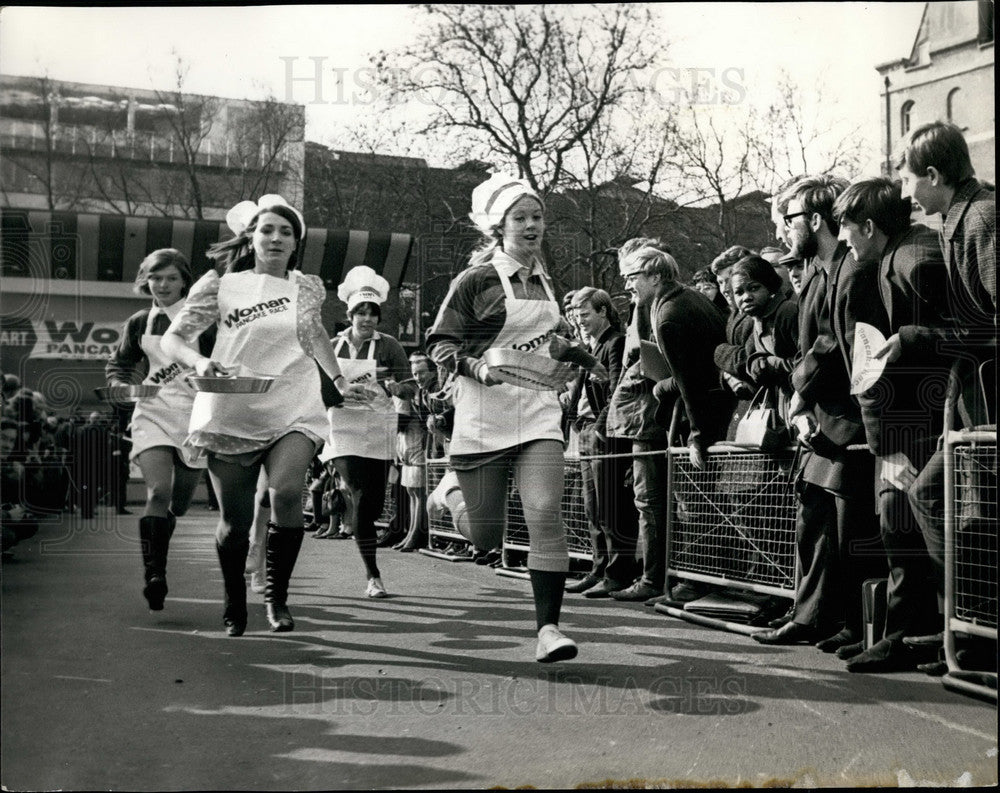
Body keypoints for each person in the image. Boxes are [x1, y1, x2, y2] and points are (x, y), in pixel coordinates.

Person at [161, 194, 364, 636]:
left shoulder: (306, 286)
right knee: (234, 523)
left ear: (296, 243)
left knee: (288, 491)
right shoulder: (220, 285)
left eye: (285, 232)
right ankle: (236, 602)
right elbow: (174, 340)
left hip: (294, 404)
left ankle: (277, 598)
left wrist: (339, 379)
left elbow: (315, 337)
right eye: (266, 229)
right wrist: (198, 363)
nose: (275, 237)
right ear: (250, 238)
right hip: (231, 409)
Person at [426, 172, 604, 662]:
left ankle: (548, 629)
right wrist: (474, 367)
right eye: (520, 218)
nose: (531, 225)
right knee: (486, 536)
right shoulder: (477, 280)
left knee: (546, 513)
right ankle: (450, 493)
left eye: (537, 216)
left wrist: (581, 357)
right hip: (484, 416)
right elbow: (439, 342)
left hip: (539, 411)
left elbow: (548, 337)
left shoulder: (545, 278)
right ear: (499, 228)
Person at [752, 175, 884, 649]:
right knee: (814, 521)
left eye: (788, 221)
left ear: (813, 219)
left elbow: (835, 345)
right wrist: (802, 398)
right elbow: (816, 346)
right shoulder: (816, 271)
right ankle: (811, 616)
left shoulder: (850, 266)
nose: (783, 232)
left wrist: (799, 394)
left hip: (847, 420)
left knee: (849, 532)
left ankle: (847, 622)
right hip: (823, 419)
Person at [832, 176, 952, 671]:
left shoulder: (907, 262)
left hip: (915, 425)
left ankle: (913, 636)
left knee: (903, 527)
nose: (844, 239)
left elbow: (877, 366)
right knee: (904, 529)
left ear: (869, 225)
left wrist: (887, 446)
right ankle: (918, 634)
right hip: (915, 422)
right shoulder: (903, 253)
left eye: (848, 227)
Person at [894, 123, 996, 644]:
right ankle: (966, 627)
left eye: (911, 179)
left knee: (932, 494)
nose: (908, 193)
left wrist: (918, 337)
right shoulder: (964, 219)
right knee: (930, 495)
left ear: (934, 175)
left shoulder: (982, 218)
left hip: (989, 406)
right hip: (976, 404)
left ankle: (970, 629)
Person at [106, 248, 217, 611]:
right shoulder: (140, 321)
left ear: (185, 280)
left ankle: (160, 540)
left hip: (196, 415)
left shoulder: (204, 319)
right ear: (145, 280)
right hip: (152, 410)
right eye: (156, 278)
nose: (163, 285)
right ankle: (155, 574)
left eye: (171, 278)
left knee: (179, 504)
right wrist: (121, 386)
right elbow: (120, 364)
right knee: (158, 491)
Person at [326, 265, 415, 596]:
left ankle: (362, 530)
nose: (366, 319)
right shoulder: (332, 346)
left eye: (372, 314)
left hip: (379, 428)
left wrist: (391, 384)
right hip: (344, 428)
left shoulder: (390, 347)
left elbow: (410, 390)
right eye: (360, 313)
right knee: (361, 493)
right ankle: (373, 575)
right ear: (350, 315)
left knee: (374, 504)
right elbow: (316, 385)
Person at [564, 287, 626, 594]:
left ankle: (615, 574)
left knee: (609, 506)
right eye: (577, 316)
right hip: (586, 431)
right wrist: (575, 420)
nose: (580, 321)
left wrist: (600, 427)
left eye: (585, 314)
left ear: (603, 311)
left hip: (602, 433)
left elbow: (615, 389)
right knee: (592, 507)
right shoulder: (590, 347)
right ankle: (598, 567)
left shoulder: (615, 342)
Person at [394, 351, 438, 552]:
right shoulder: (416, 389)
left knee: (419, 492)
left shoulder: (433, 389)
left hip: (422, 445)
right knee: (412, 491)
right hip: (411, 447)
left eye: (421, 372)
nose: (418, 377)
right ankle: (412, 532)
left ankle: (417, 534)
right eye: (415, 373)